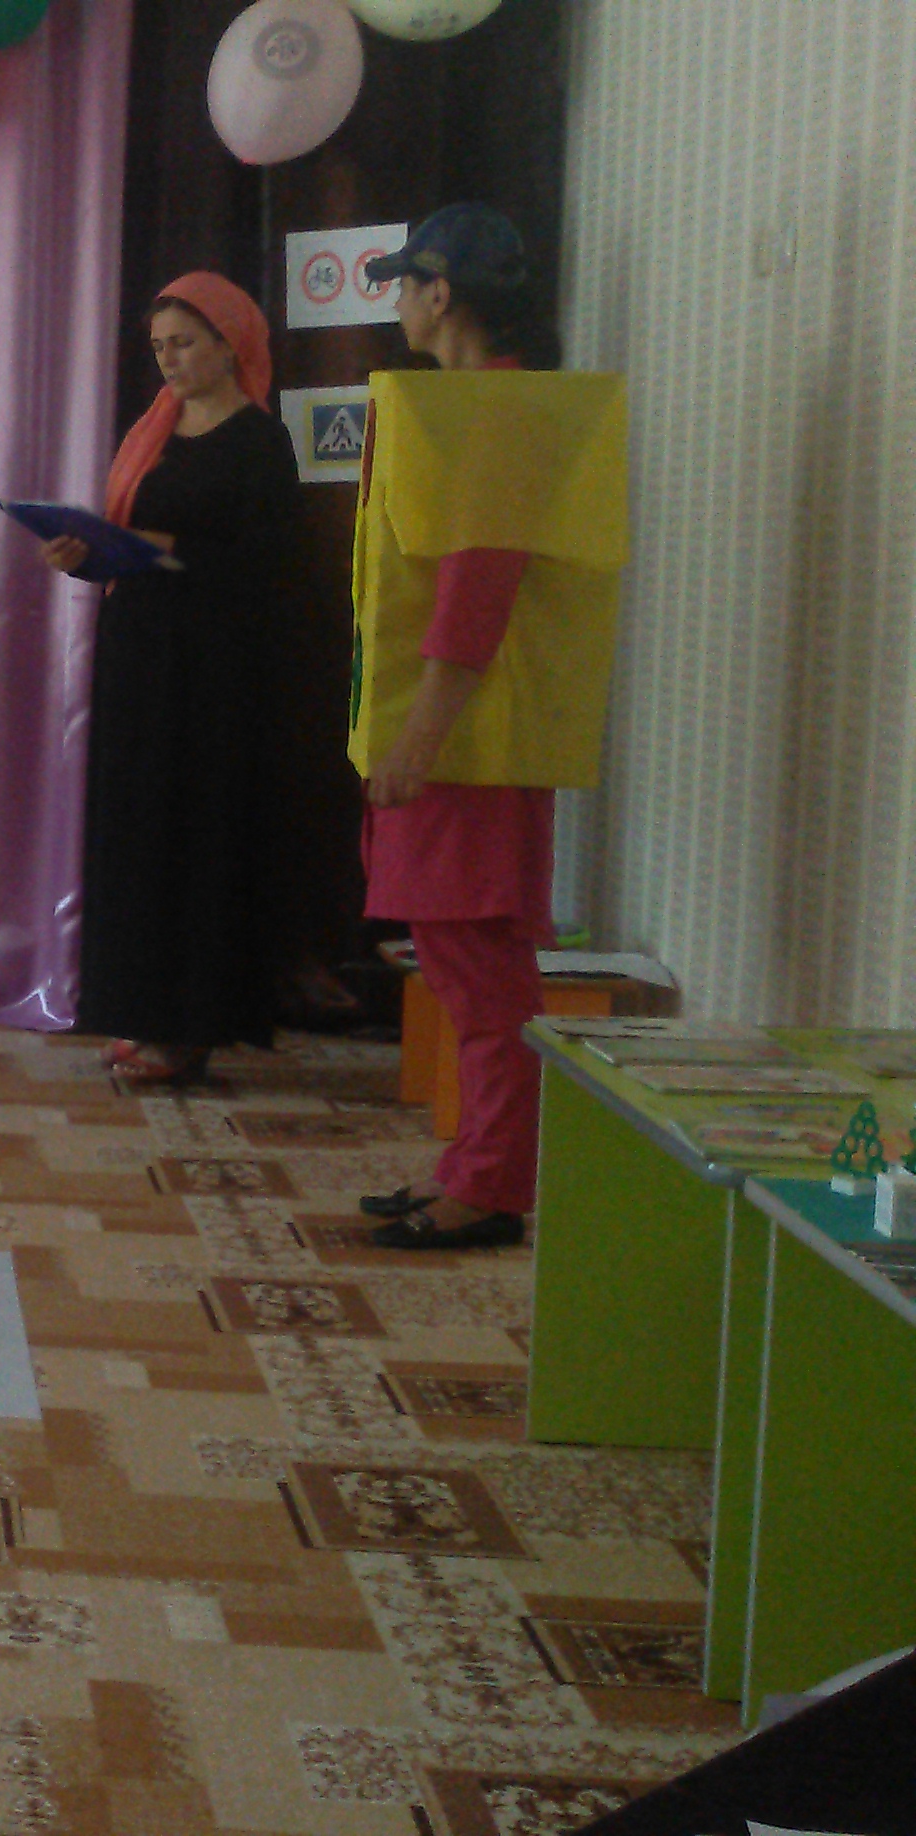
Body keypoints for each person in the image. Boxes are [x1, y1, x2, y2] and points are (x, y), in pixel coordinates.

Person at [345, 205, 629, 1250]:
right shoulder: (480, 407)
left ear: (443, 293)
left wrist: (418, 743)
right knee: (464, 966)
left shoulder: (500, 416)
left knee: (480, 972)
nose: (395, 304)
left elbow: (478, 592)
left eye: (402, 284)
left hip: (469, 742)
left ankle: (492, 1185)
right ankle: (476, 1168)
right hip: (463, 734)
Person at [43, 275, 302, 1086]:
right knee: (137, 834)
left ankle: (191, 1027)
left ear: (230, 344)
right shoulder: (153, 432)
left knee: (196, 838)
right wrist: (84, 556)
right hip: (141, 660)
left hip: (215, 670)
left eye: (184, 342)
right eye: (159, 346)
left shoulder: (261, 441)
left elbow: (269, 566)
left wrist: (164, 546)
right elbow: (129, 548)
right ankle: (143, 1013)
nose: (170, 360)